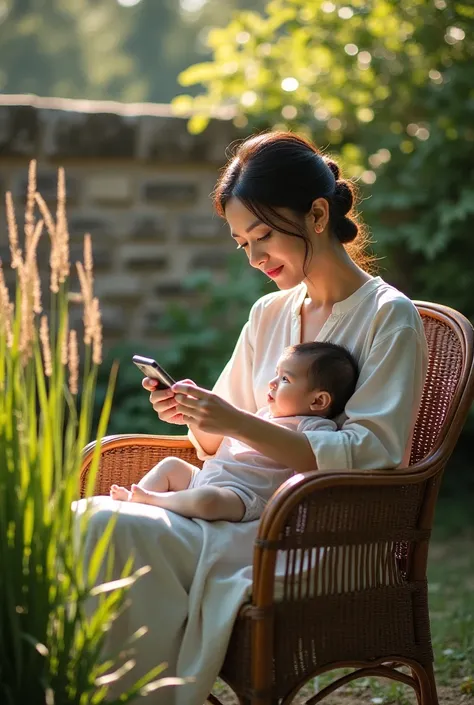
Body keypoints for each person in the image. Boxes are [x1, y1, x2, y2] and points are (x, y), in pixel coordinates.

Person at [78, 131, 428, 705]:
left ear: (318, 213)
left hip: (306, 531)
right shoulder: (268, 312)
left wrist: (236, 424)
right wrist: (194, 412)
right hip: (228, 503)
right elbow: (218, 442)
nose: (255, 257)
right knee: (87, 517)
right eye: (243, 244)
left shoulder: (389, 317)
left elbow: (372, 453)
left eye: (263, 235)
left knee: (107, 526)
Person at [109, 342, 358, 522]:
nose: (272, 383)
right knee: (172, 466)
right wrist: (193, 412)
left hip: (242, 496)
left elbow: (318, 457)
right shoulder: (263, 414)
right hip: (205, 479)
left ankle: (152, 500)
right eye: (276, 375)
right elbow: (216, 444)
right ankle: (134, 503)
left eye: (285, 379)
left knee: (207, 501)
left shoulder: (313, 428)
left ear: (317, 402)